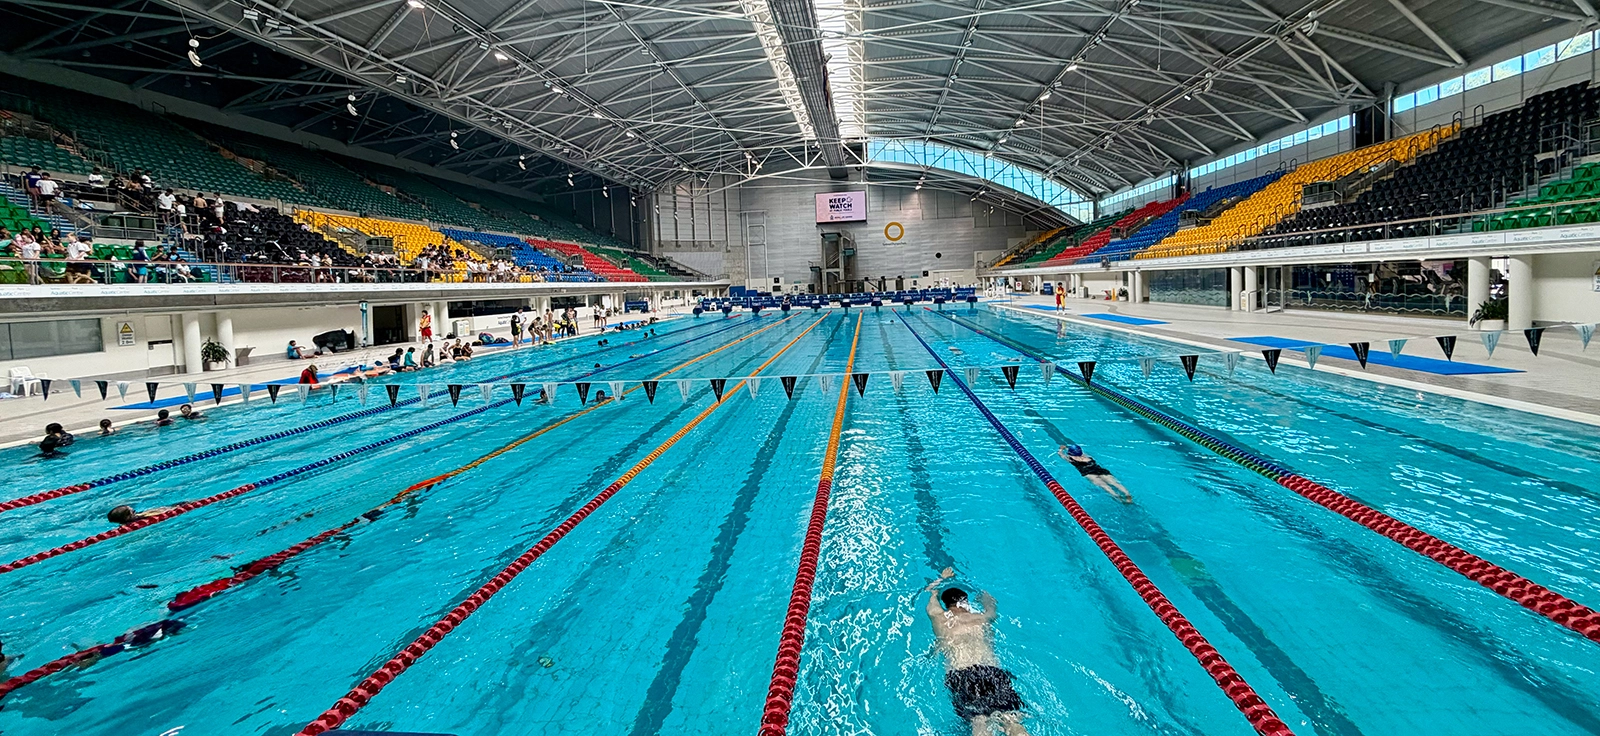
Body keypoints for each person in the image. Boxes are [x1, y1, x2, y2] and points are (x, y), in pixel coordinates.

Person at [925, 568, 1028, 736]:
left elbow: (931, 593)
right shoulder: (983, 618)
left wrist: (942, 580)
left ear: (947, 604)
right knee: (1011, 719)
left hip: (961, 675)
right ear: (965, 602)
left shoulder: (939, 617)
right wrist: (983, 593)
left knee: (978, 721)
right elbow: (991, 604)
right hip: (991, 671)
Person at [1057, 445, 1132, 503]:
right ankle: (1127, 494)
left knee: (1104, 486)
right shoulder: (1086, 456)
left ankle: (1117, 497)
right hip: (1100, 470)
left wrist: (1061, 449)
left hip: (1089, 474)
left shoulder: (1071, 459)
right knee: (1115, 483)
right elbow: (1078, 452)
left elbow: (1060, 454)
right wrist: (1067, 448)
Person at [108, 504, 176, 524]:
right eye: (133, 511)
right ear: (127, 517)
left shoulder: (125, 522)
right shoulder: (140, 519)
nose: (135, 512)